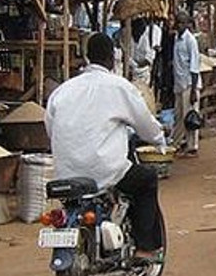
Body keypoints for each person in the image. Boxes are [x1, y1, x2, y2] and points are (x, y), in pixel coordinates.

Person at [45, 33, 167, 262]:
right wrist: (159, 139)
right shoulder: (119, 87)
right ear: (112, 59)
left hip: (66, 172)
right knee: (146, 180)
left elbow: (50, 129)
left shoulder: (62, 91)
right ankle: (145, 248)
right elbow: (144, 122)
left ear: (87, 57)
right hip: (104, 171)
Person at [170, 11, 201, 156]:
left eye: (183, 23)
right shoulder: (177, 38)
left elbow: (194, 66)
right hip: (179, 83)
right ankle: (176, 142)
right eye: (178, 22)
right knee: (179, 115)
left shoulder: (190, 41)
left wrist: (194, 90)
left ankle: (192, 146)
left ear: (188, 24)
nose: (180, 25)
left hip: (189, 84)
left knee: (190, 117)